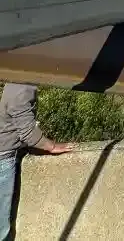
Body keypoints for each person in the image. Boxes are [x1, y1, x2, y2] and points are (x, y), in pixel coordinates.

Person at [0, 84, 73, 240]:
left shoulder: (14, 82)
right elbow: (28, 133)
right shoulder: (20, 88)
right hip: (3, 158)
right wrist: (51, 146)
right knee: (1, 227)